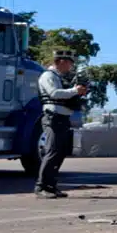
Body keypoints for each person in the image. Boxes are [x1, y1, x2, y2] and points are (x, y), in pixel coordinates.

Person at [35, 49, 87, 199]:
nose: (71, 66)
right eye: (70, 63)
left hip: (63, 118)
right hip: (54, 117)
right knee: (52, 152)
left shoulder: (59, 77)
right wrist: (74, 90)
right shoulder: (48, 76)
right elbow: (54, 94)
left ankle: (51, 186)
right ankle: (41, 186)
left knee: (60, 153)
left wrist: (78, 92)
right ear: (62, 62)